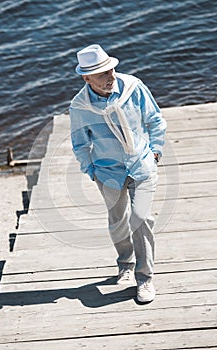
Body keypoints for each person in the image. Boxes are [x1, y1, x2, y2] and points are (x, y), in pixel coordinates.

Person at [69, 44, 166, 303]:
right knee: (117, 221)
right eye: (102, 74)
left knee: (140, 218)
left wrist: (156, 150)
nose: (111, 76)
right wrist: (89, 169)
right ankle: (125, 263)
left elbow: (155, 120)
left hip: (141, 165)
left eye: (111, 70)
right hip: (107, 171)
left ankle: (144, 279)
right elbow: (80, 142)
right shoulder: (80, 106)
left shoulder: (133, 88)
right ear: (86, 78)